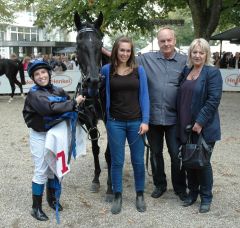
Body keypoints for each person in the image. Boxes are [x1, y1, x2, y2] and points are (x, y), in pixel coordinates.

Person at [22, 60, 85, 221]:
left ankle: (52, 198)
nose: (41, 76)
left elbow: (70, 106)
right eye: (37, 74)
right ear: (33, 78)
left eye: (43, 72)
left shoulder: (58, 90)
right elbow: (49, 109)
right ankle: (35, 208)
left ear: (49, 73)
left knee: (54, 168)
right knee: (41, 170)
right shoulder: (34, 94)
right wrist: (72, 103)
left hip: (57, 133)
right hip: (40, 135)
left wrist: (77, 104)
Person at [136, 27, 187, 200]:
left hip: (175, 119)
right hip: (153, 118)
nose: (166, 44)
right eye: (162, 41)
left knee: (176, 154)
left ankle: (180, 187)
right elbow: (124, 58)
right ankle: (160, 184)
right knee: (156, 154)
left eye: (169, 40)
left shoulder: (184, 61)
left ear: (174, 40)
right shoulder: (146, 59)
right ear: (158, 42)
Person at [101, 36, 149, 214]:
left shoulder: (139, 70)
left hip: (136, 122)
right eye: (122, 50)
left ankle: (139, 194)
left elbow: (145, 96)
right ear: (116, 50)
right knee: (117, 161)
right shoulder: (106, 70)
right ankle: (118, 195)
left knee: (137, 161)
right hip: (115, 123)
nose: (125, 53)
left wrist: (145, 121)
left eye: (128, 50)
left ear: (131, 52)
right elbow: (96, 90)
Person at [177, 38, 222, 213]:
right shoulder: (186, 70)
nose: (197, 55)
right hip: (184, 124)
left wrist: (200, 122)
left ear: (206, 54)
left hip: (203, 126)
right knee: (189, 160)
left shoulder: (212, 73)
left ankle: (206, 197)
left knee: (202, 162)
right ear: (190, 54)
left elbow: (213, 100)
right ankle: (192, 194)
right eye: (194, 52)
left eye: (201, 52)